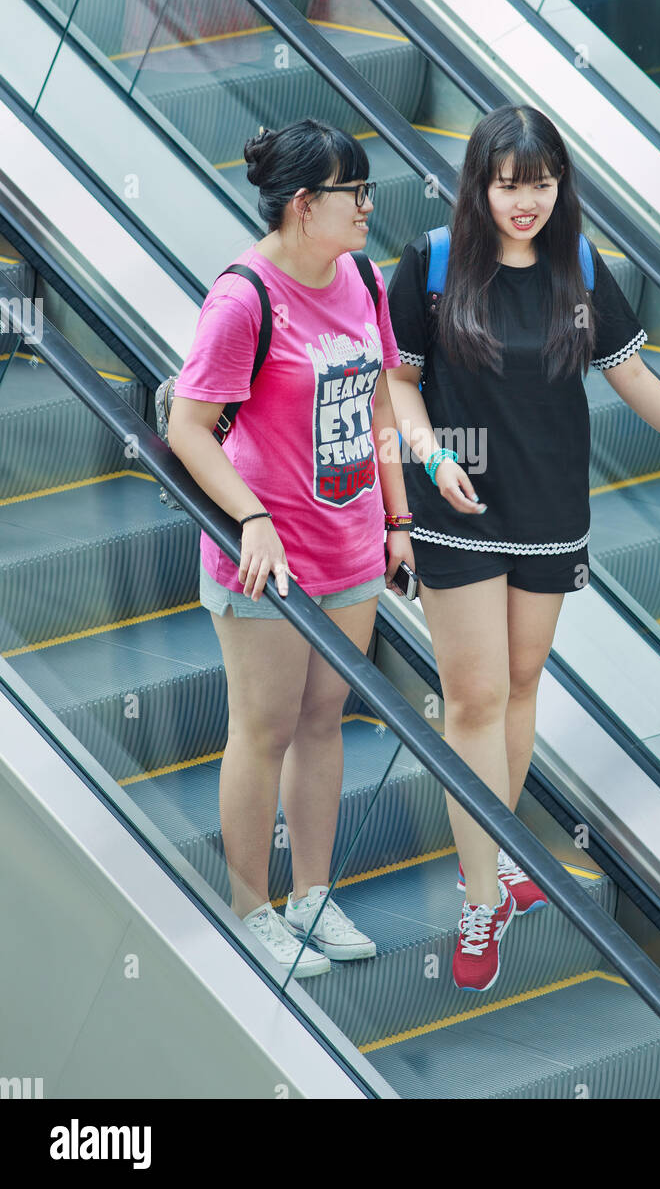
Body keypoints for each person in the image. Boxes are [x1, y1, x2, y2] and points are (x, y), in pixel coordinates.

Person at [385, 104, 660, 993]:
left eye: (542, 184)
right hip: (459, 503)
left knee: (522, 687)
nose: (526, 202)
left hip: (551, 507)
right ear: (479, 183)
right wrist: (431, 457)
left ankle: (497, 841)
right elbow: (398, 384)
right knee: (475, 698)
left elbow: (631, 373)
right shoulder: (432, 265)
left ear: (562, 186)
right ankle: (481, 895)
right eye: (509, 184)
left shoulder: (579, 267)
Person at [167, 118, 414, 977]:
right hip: (265, 562)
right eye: (355, 193)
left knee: (323, 721)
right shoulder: (244, 297)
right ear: (305, 206)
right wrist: (253, 519)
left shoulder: (360, 278)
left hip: (350, 547)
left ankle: (312, 896)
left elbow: (379, 405)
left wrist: (397, 521)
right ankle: (251, 907)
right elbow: (188, 429)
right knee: (263, 728)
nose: (368, 207)